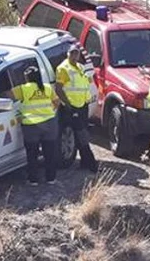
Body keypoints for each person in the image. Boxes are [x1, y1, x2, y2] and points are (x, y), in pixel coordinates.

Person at [11, 66, 61, 186]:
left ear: (27, 78)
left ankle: (33, 180)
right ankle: (51, 178)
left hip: (31, 126)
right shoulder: (48, 88)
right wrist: (51, 111)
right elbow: (57, 102)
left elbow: (9, 95)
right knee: (49, 153)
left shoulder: (24, 89)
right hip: (49, 123)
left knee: (32, 154)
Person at [55, 44, 99, 172]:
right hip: (71, 107)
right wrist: (68, 105)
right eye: (72, 53)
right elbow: (59, 89)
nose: (75, 56)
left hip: (82, 106)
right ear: (67, 54)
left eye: (77, 53)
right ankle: (91, 164)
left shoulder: (80, 67)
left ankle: (85, 163)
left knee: (81, 133)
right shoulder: (63, 68)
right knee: (82, 135)